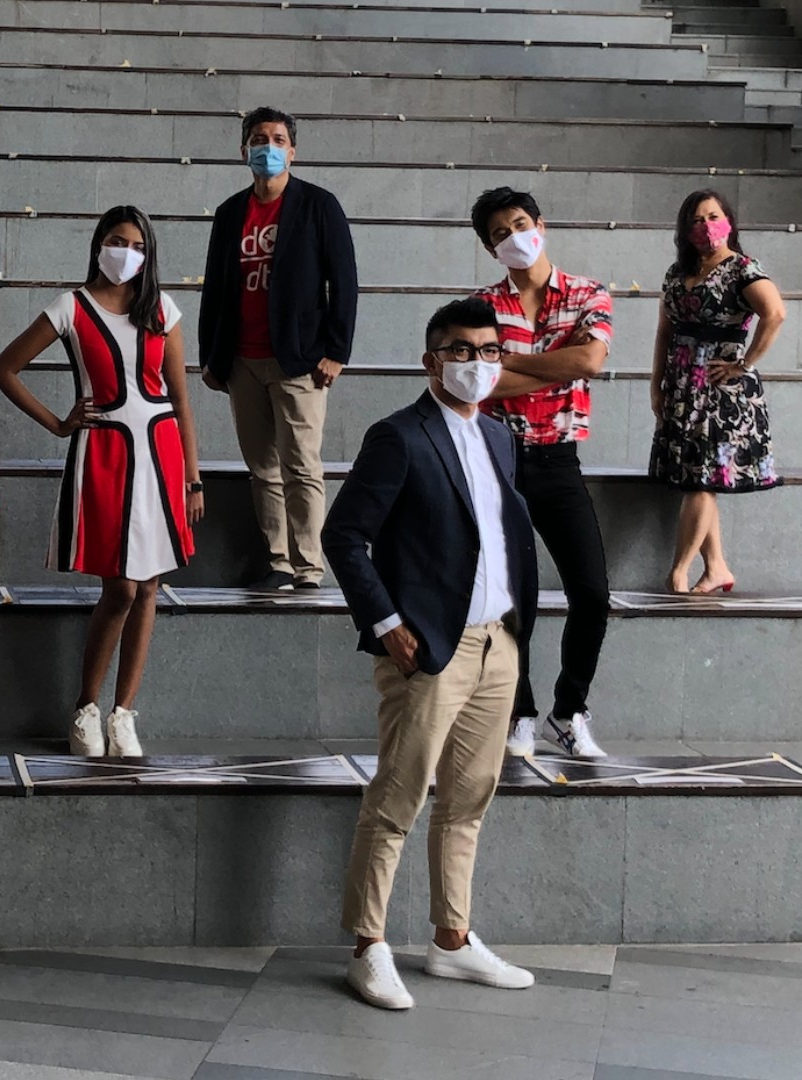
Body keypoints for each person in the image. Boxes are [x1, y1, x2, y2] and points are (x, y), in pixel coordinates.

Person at [323, 298, 539, 1013]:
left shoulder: (501, 437)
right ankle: (368, 946)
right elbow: (343, 536)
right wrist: (388, 623)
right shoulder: (399, 436)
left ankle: (452, 939)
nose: (476, 362)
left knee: (468, 798)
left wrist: (515, 632)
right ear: (431, 361)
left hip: (498, 643)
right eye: (460, 350)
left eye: (488, 350)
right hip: (427, 649)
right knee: (398, 797)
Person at [0, 207, 205, 757]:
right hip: (105, 452)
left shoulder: (162, 308)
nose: (125, 252)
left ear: (148, 253)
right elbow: (4, 368)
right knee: (121, 587)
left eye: (136, 244)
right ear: (98, 244)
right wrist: (58, 423)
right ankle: (86, 707)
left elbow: (180, 400)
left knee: (150, 585)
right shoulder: (71, 306)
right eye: (116, 240)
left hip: (161, 454)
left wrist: (194, 479)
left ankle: (123, 714)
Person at [467, 187, 612, 761]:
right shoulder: (481, 308)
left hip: (558, 460)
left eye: (520, 224)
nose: (514, 238)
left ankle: (568, 710)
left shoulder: (587, 294)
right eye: (500, 233)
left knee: (592, 593)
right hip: (499, 460)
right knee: (512, 597)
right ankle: (519, 712)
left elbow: (589, 360)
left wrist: (512, 364)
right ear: (490, 248)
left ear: (541, 225)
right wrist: (548, 367)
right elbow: (482, 382)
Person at [197, 105, 357, 593]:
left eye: (278, 139)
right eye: (259, 139)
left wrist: (336, 351)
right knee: (262, 468)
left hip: (299, 360)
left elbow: (344, 282)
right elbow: (215, 288)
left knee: (301, 465)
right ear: (243, 150)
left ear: (293, 151)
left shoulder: (318, 206)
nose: (268, 147)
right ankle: (279, 562)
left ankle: (308, 567)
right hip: (242, 359)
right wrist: (210, 356)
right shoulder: (230, 213)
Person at [650, 190, 787, 593]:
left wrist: (744, 364)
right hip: (682, 386)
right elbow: (664, 331)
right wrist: (656, 383)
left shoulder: (743, 269)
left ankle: (679, 571)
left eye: (713, 216)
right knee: (699, 476)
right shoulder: (677, 273)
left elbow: (775, 313)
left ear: (728, 221)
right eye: (696, 219)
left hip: (720, 391)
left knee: (701, 480)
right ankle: (716, 567)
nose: (705, 226)